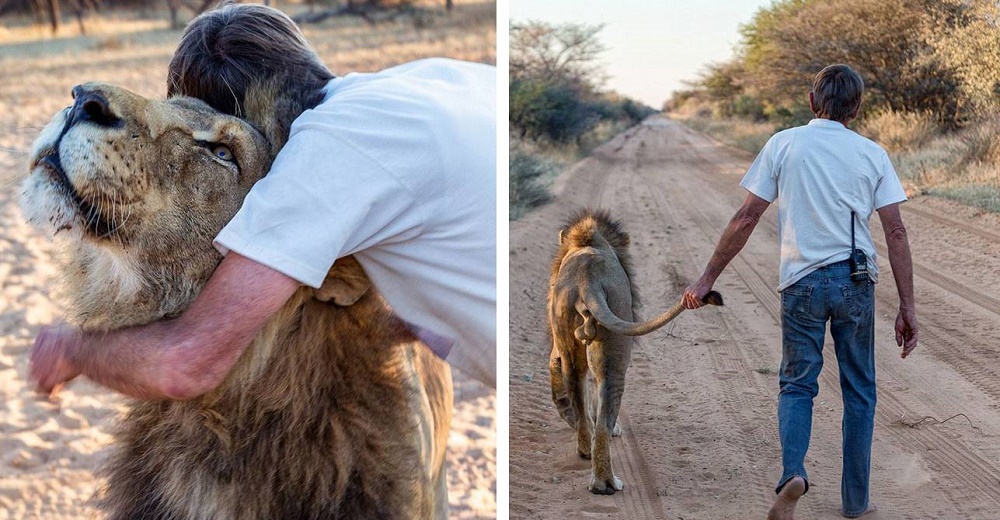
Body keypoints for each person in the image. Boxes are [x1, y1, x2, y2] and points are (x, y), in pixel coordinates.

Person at [29, 3, 497, 399]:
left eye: (219, 145)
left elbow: (188, 362)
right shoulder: (427, 78)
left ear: (257, 124)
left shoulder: (322, 158)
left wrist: (72, 350)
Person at [681, 64, 917, 519]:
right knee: (860, 391)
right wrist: (907, 307)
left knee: (796, 386)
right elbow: (897, 233)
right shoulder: (872, 154)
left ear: (812, 102)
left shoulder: (784, 143)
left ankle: (793, 472)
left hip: (801, 284)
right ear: (857, 107)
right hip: (855, 282)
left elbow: (746, 217)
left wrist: (707, 278)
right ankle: (855, 503)